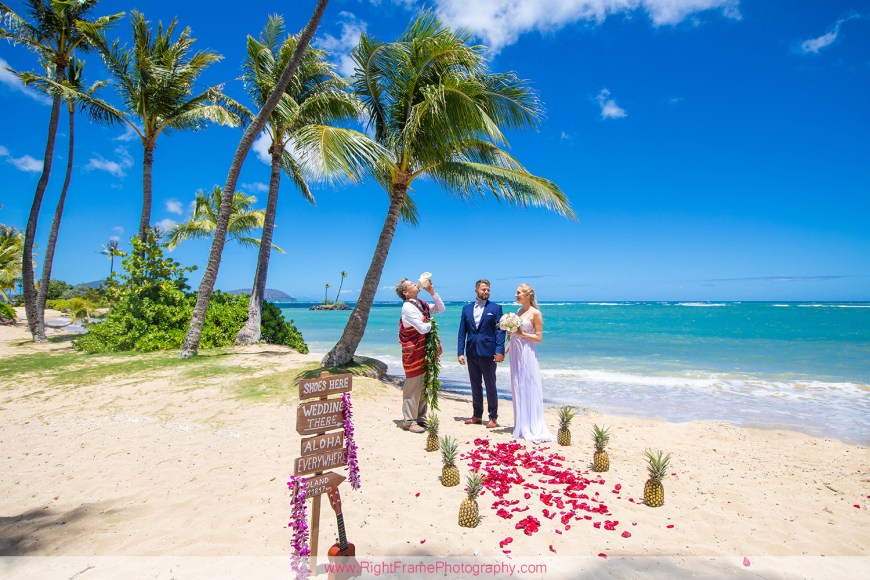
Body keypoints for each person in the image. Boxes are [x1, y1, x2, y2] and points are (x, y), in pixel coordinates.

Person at [396, 277, 445, 433]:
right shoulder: (408, 308)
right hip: (413, 352)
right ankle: (409, 421)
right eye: (411, 284)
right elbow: (422, 328)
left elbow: (440, 308)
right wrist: (433, 324)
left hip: (423, 350)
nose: (415, 284)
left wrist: (432, 292)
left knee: (424, 385)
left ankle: (420, 418)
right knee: (413, 386)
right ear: (405, 292)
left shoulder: (421, 304)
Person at [508, 283, 555, 443]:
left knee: (528, 384)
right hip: (515, 351)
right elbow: (514, 335)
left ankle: (531, 424)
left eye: (518, 292)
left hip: (527, 352)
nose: (516, 295)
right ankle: (521, 423)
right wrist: (505, 350)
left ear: (527, 295)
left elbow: (539, 338)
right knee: (517, 385)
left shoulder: (535, 313)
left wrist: (521, 334)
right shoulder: (519, 312)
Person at [457, 279, 505, 428]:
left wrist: (499, 351)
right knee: (475, 385)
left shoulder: (496, 308)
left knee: (490, 385)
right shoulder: (466, 309)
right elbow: (462, 332)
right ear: (476, 290)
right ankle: (477, 415)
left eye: (488, 290)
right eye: (483, 289)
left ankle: (493, 417)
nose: (486, 292)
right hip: (471, 352)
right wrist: (460, 352)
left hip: (488, 353)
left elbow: (500, 331)